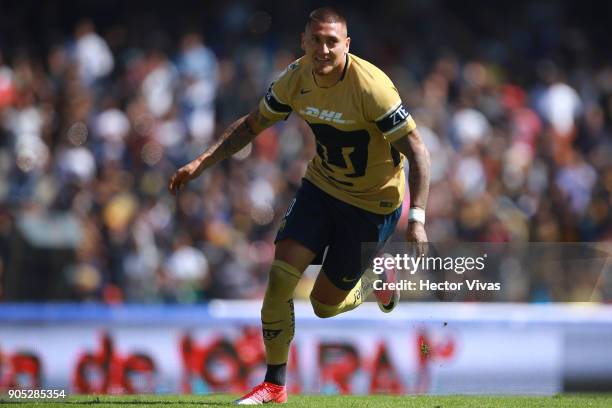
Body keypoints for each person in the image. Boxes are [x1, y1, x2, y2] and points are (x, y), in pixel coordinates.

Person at [168, 7, 430, 404]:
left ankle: (377, 282)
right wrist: (202, 161)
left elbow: (418, 151)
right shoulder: (295, 79)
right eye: (316, 40)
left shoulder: (373, 88)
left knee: (324, 306)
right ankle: (274, 385)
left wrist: (417, 217)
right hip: (321, 190)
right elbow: (252, 125)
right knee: (279, 281)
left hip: (372, 205)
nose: (323, 49)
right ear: (304, 42)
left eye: (332, 41)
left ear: (347, 45)